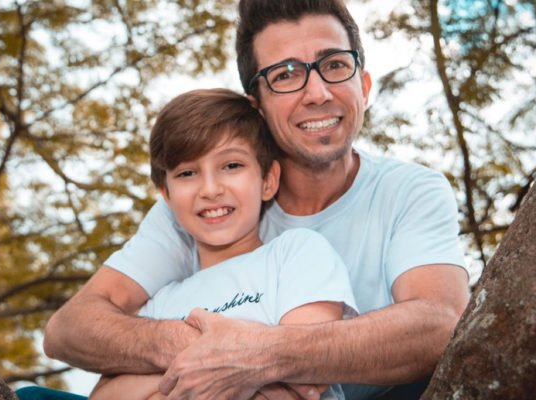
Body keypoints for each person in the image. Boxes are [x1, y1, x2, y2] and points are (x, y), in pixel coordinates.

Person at [43, 1, 470, 399]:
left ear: (364, 84)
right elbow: (70, 329)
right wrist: (201, 352)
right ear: (258, 106)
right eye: (285, 74)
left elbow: (439, 324)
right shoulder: (202, 210)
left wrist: (258, 355)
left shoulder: (409, 189)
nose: (317, 93)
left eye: (335, 65)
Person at [88, 88, 357, 400]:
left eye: (231, 166)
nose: (210, 189)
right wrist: (233, 372)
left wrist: (168, 380)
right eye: (187, 173)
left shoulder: (295, 254)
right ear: (167, 196)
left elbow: (299, 378)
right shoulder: (158, 304)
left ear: (268, 180)